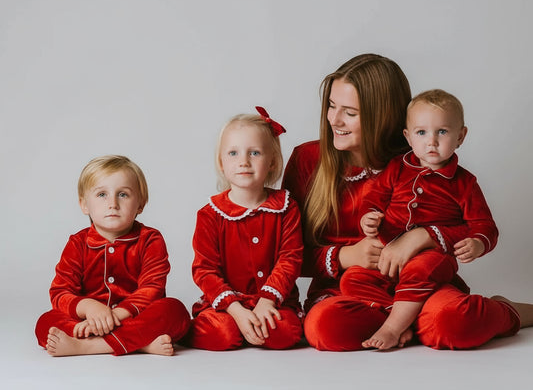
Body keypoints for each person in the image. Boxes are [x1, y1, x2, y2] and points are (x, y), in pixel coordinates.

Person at [282, 53, 533, 351]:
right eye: (331, 106)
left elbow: (470, 224)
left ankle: (507, 311)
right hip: (350, 291)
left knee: (454, 324)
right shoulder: (308, 160)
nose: (334, 119)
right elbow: (287, 255)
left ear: (383, 115)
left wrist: (422, 236)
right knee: (324, 329)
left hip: (418, 287)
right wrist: (344, 257)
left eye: (350, 112)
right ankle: (398, 326)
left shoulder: (420, 157)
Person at [352, 89, 497, 350]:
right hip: (389, 257)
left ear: (461, 136)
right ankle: (402, 317)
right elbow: (374, 197)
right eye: (422, 133)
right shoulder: (397, 168)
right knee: (352, 279)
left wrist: (478, 242)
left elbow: (485, 226)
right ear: (408, 137)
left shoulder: (464, 183)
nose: (431, 142)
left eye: (442, 132)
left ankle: (393, 328)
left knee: (421, 269)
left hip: (434, 256)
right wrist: (369, 217)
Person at [35, 155, 191, 357]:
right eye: (101, 194)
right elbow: (60, 292)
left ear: (141, 204)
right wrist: (90, 309)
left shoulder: (150, 239)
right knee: (45, 323)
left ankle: (89, 346)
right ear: (84, 204)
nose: (113, 204)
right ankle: (139, 343)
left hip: (135, 318)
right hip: (88, 321)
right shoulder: (78, 243)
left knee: (176, 312)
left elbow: (152, 288)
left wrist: (117, 314)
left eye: (123, 195)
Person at [188, 107, 304, 351]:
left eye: (255, 153)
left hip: (272, 301)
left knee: (286, 333)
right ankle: (212, 327)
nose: (243, 162)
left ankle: (252, 326)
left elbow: (290, 258)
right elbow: (205, 269)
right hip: (229, 305)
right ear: (221, 162)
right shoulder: (210, 214)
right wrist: (236, 310)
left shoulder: (286, 207)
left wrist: (267, 300)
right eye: (233, 153)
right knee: (224, 334)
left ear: (272, 161)